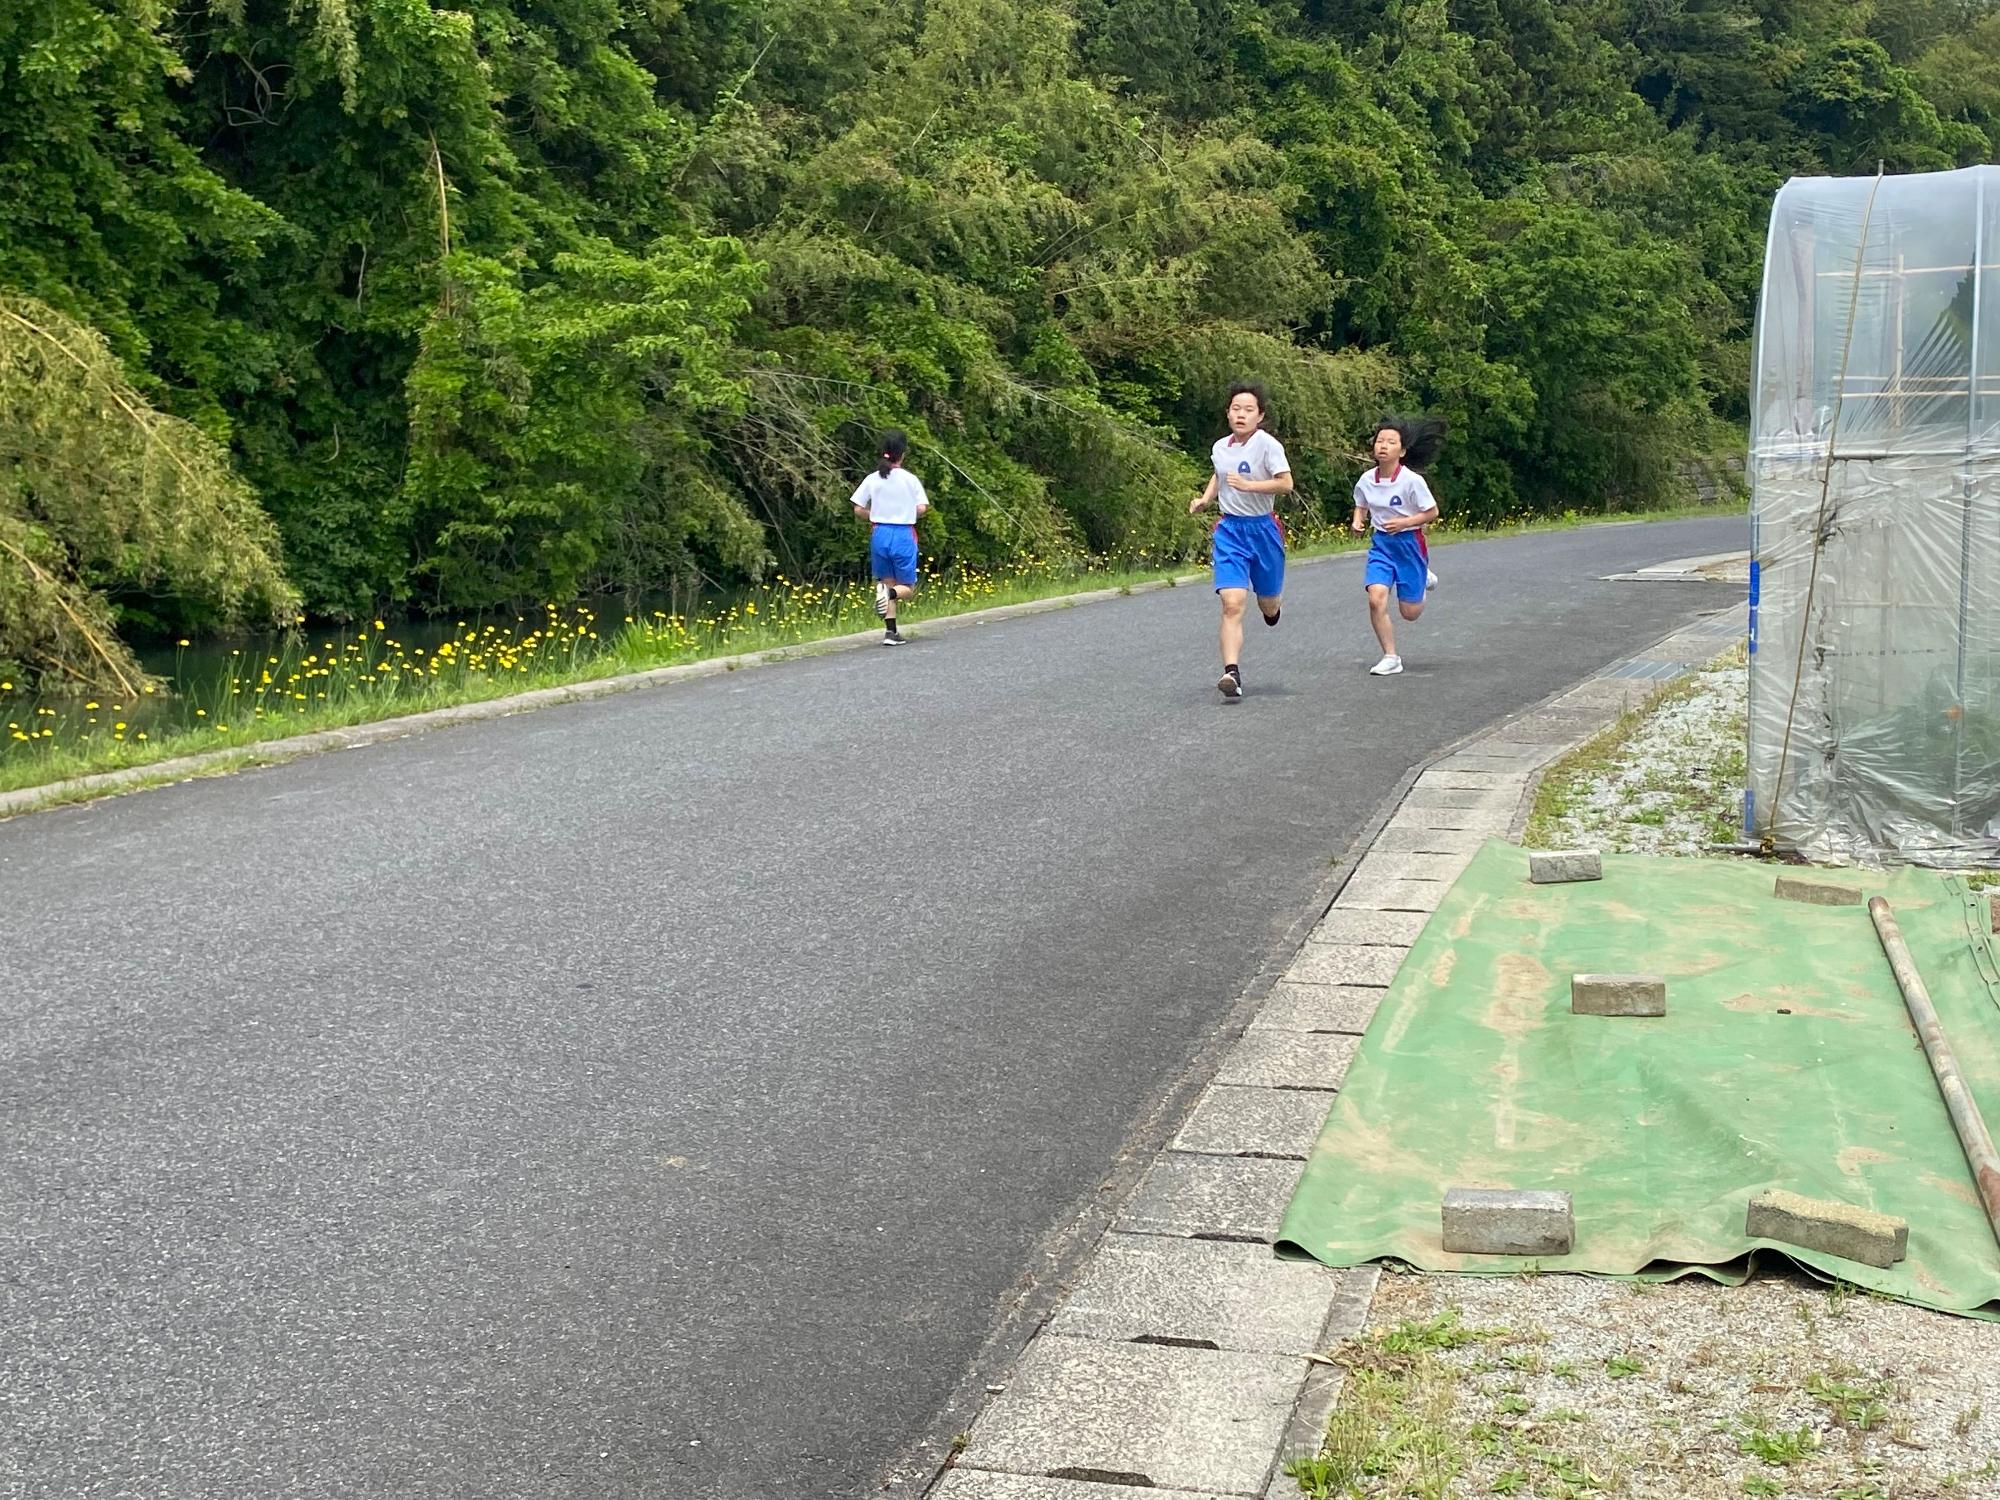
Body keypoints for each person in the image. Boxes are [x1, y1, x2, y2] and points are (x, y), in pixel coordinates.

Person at [1189, 383, 1292, 701]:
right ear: (1228, 413)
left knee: (1267, 603)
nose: (1241, 414)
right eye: (1236, 408)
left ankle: (1273, 609)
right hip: (1230, 531)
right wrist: (1206, 499)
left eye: (1248, 409)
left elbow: (1285, 484)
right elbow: (1220, 474)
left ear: (1259, 415)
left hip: (1263, 531)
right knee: (1232, 604)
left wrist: (1250, 486)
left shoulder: (1267, 445)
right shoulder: (1221, 447)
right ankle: (1231, 672)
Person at [1350, 416, 1444, 676]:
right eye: (1380, 441)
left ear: (1401, 451)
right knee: (1375, 598)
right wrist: (1358, 522)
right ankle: (1391, 657)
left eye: (1391, 442)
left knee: (1410, 613)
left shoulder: (1412, 481)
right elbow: (1361, 504)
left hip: (1409, 545)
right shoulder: (1367, 479)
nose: (1383, 446)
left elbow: (1432, 512)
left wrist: (1405, 523)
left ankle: (1422, 576)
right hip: (1381, 545)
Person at [851, 430, 930, 646]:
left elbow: (858, 509)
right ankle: (890, 594)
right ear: (902, 454)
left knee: (886, 581)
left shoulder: (872, 479)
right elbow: (922, 508)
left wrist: (875, 516)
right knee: (907, 588)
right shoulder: (910, 479)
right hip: (903, 534)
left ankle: (890, 632)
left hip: (879, 533)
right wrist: (906, 511)